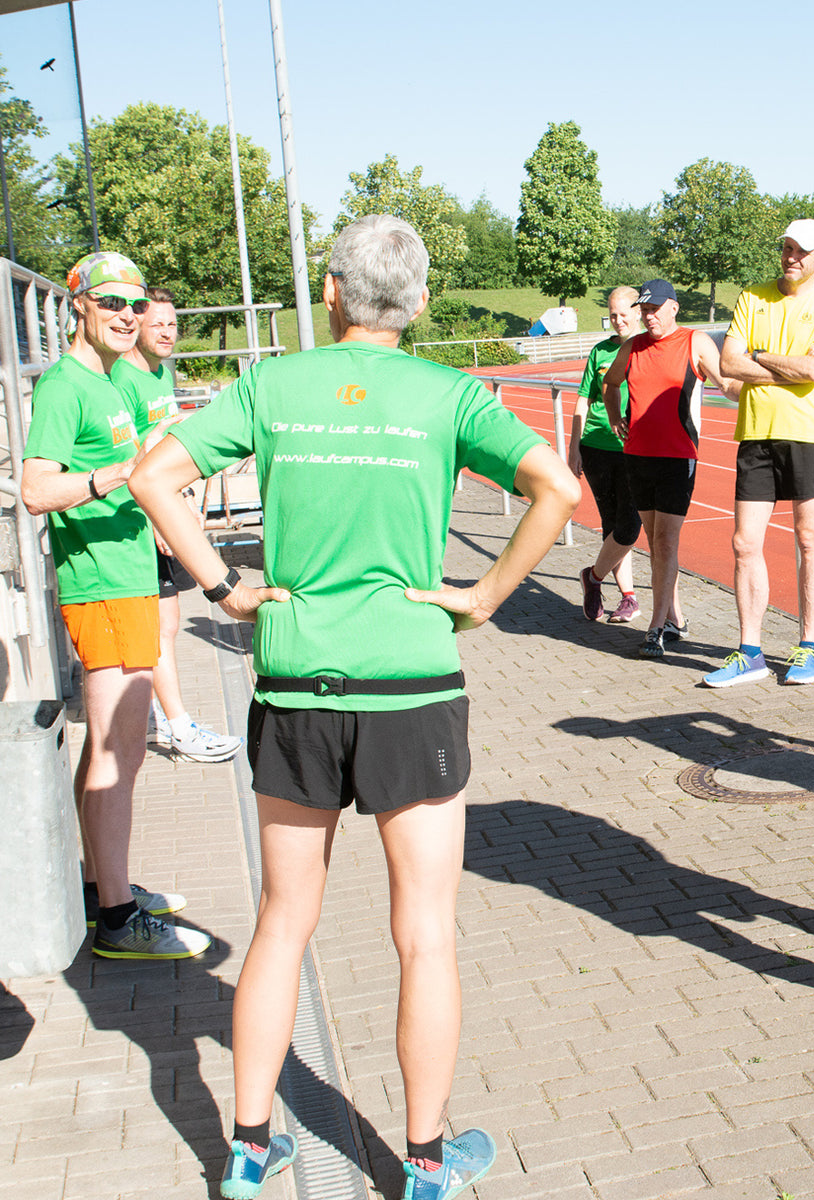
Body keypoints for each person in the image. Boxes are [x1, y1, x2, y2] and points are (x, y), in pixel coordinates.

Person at [129, 215, 580, 1200]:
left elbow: (154, 475)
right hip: (412, 685)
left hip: (295, 682)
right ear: (417, 303)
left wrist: (221, 588)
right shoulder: (449, 392)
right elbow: (556, 485)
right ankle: (424, 1162)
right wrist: (486, 596)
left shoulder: (272, 386)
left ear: (330, 295)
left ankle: (248, 1151)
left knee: (283, 920)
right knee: (423, 929)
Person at [21, 251, 212, 963]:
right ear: (79, 306)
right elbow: (37, 489)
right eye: (112, 303)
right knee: (118, 753)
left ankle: (105, 882)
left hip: (127, 576)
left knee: (112, 750)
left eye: (135, 305)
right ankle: (117, 918)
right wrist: (116, 475)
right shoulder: (69, 386)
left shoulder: (115, 380)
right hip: (101, 585)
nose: (127, 316)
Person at [703, 219, 814, 687]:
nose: (792, 257)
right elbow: (728, 363)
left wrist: (761, 356)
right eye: (787, 247)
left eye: (802, 251)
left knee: (809, 539)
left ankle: (810, 647)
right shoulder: (751, 296)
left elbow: (812, 369)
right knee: (745, 543)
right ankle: (750, 651)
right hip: (756, 432)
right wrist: (787, 367)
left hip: (808, 433)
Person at [111, 286, 244, 763]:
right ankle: (177, 725)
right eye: (157, 324)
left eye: (172, 323)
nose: (168, 332)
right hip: (141, 521)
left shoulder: (159, 374)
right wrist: (158, 522)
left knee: (162, 627)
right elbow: (131, 461)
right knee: (161, 628)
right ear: (135, 326)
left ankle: (161, 717)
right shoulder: (124, 378)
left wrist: (182, 498)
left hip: (164, 511)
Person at [602, 279, 737, 658]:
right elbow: (610, 385)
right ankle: (675, 617)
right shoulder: (632, 347)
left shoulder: (695, 342)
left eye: (655, 309)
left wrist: (764, 386)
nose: (649, 316)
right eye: (644, 310)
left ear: (673, 308)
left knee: (665, 542)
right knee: (656, 543)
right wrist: (615, 417)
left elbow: (726, 384)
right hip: (638, 457)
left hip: (678, 458)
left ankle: (656, 628)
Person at [569, 286, 643, 624]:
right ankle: (628, 597)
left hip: (635, 448)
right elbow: (583, 400)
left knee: (630, 524)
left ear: (639, 312)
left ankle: (592, 577)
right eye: (612, 314)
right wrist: (573, 449)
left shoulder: (645, 347)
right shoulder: (599, 352)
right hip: (597, 446)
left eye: (624, 313)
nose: (618, 320)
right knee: (612, 524)